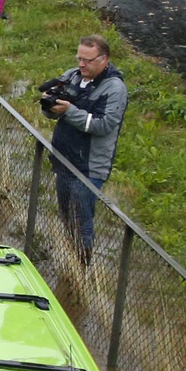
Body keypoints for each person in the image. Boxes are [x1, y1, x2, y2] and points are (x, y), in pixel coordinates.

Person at [45, 36, 128, 252]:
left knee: (82, 222)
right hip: (64, 160)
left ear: (104, 59)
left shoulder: (114, 89)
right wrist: (49, 105)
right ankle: (70, 259)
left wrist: (70, 111)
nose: (81, 64)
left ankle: (82, 266)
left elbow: (104, 125)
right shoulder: (72, 76)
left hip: (88, 168)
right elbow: (53, 115)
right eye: (79, 58)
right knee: (66, 214)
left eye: (88, 60)